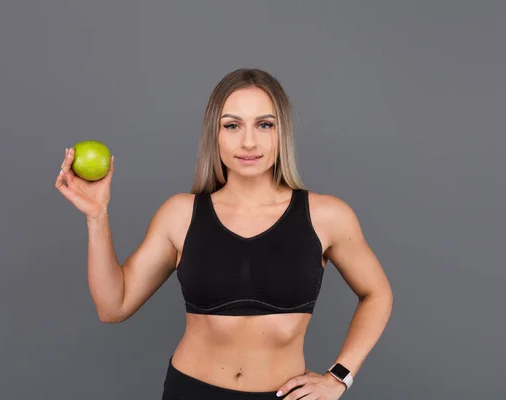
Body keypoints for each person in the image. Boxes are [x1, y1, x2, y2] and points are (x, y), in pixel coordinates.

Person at [55, 68, 393, 399]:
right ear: (214, 133)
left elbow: (377, 293)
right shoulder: (180, 214)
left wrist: (339, 377)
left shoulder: (327, 215)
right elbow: (113, 307)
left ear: (282, 133)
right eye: (232, 125)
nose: (248, 141)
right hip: (190, 391)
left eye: (264, 125)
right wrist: (97, 217)